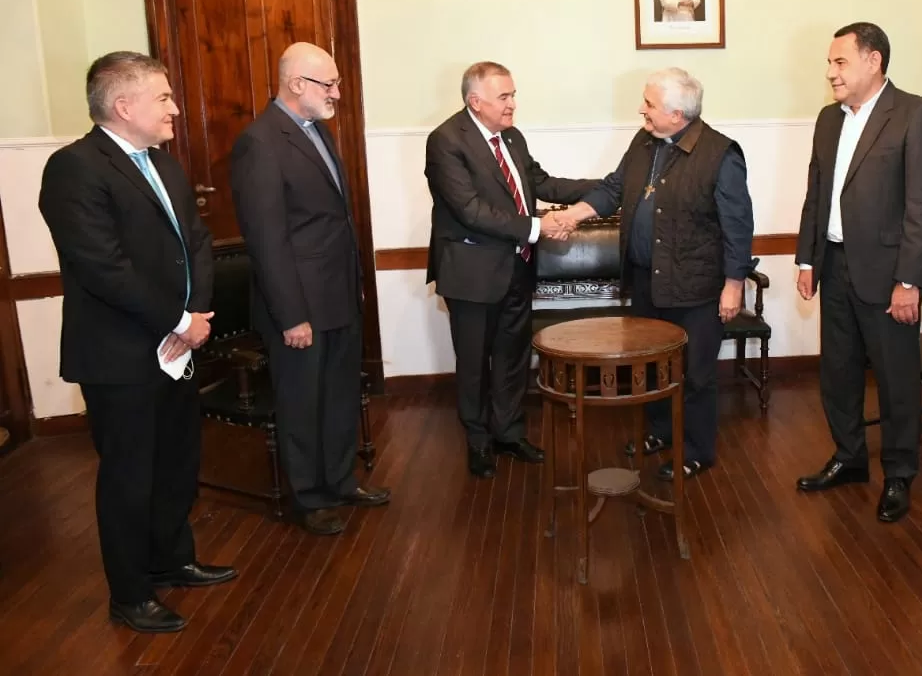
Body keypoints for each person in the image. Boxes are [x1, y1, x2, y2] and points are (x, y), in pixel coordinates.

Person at [38, 51, 237, 633]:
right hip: (120, 355)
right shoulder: (74, 168)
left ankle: (173, 558)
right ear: (124, 106)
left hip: (178, 342)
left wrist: (197, 312)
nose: (176, 108)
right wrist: (178, 321)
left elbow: (197, 241)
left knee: (177, 461)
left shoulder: (164, 163)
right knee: (129, 475)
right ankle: (129, 593)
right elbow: (103, 267)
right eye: (165, 98)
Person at [558, 67, 755, 480]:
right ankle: (661, 432)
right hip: (648, 279)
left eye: (649, 104)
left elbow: (738, 225)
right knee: (651, 368)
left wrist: (733, 285)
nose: (641, 110)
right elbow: (615, 187)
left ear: (678, 114)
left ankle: (698, 451)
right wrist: (573, 215)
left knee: (697, 375)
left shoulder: (721, 155)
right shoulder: (646, 140)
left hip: (697, 287)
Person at [230, 42, 389, 536]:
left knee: (340, 395)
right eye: (330, 84)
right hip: (300, 305)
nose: (338, 93)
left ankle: (341, 480)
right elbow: (267, 240)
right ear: (296, 83)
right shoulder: (260, 142)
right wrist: (291, 314)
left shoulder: (318, 131)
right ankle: (310, 498)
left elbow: (332, 220)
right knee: (302, 402)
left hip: (337, 294)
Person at [793, 22, 922, 523]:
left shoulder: (915, 115)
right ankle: (850, 457)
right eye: (830, 63)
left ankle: (899, 474)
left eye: (840, 62)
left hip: (887, 275)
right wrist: (807, 258)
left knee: (896, 378)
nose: (831, 72)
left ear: (873, 61)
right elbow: (817, 193)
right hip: (834, 264)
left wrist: (910, 281)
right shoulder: (827, 120)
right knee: (837, 373)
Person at [424, 61, 597, 479]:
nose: (513, 104)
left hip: (516, 268)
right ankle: (478, 442)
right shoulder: (446, 141)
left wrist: (605, 189)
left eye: (513, 95)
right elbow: (471, 210)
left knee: (511, 358)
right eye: (505, 97)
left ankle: (509, 433)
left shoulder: (511, 138)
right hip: (471, 273)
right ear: (475, 101)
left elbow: (541, 183)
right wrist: (539, 226)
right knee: (473, 363)